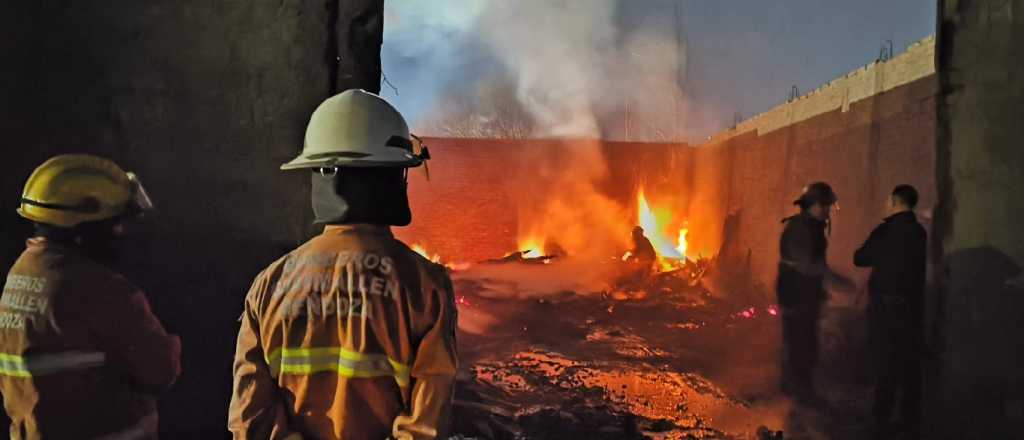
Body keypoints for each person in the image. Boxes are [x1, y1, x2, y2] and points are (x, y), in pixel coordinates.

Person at [228, 89, 457, 440]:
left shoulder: (269, 285)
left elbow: (250, 421)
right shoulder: (425, 286)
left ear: (320, 178)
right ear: (393, 177)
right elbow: (425, 428)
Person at [0, 155, 182, 439]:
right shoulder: (101, 290)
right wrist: (169, 343)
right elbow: (160, 370)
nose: (122, 233)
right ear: (84, 228)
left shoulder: (22, 273)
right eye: (116, 223)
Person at [854, 184, 927, 438]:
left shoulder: (885, 231)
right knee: (908, 364)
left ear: (895, 201)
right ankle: (909, 422)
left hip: (885, 310)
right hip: (912, 309)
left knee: (885, 365)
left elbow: (860, 258)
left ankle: (880, 423)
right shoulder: (920, 233)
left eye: (889, 200)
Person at [776, 181, 854, 400]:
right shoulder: (800, 228)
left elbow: (816, 265)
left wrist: (825, 286)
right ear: (811, 205)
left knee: (805, 342)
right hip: (795, 295)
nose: (828, 211)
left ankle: (797, 389)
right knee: (799, 344)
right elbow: (807, 265)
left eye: (829, 206)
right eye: (824, 206)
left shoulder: (812, 227)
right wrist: (835, 281)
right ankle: (796, 395)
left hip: (804, 295)